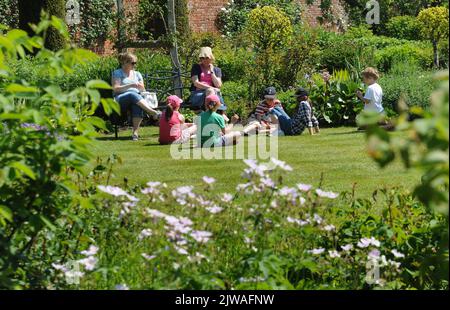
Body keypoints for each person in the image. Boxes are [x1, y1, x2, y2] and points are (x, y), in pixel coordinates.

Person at [112, 52, 161, 141]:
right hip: (120, 99)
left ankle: (135, 133)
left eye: (135, 63)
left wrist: (140, 86)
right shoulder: (117, 73)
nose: (134, 65)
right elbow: (116, 89)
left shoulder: (137, 74)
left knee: (136, 103)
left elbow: (143, 89)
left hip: (136, 99)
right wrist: (130, 85)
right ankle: (152, 112)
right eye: (132, 63)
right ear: (124, 62)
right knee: (132, 94)